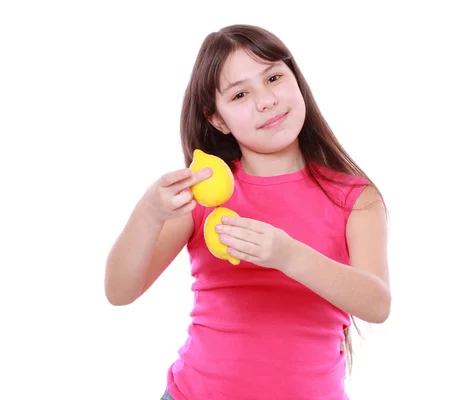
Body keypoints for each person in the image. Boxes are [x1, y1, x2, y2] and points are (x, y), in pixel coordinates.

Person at [105, 24, 391, 400]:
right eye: (240, 94)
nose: (266, 100)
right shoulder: (202, 192)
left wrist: (288, 255)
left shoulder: (355, 197)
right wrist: (148, 212)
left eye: (274, 77)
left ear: (297, 80)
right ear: (217, 119)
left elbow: (376, 303)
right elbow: (120, 291)